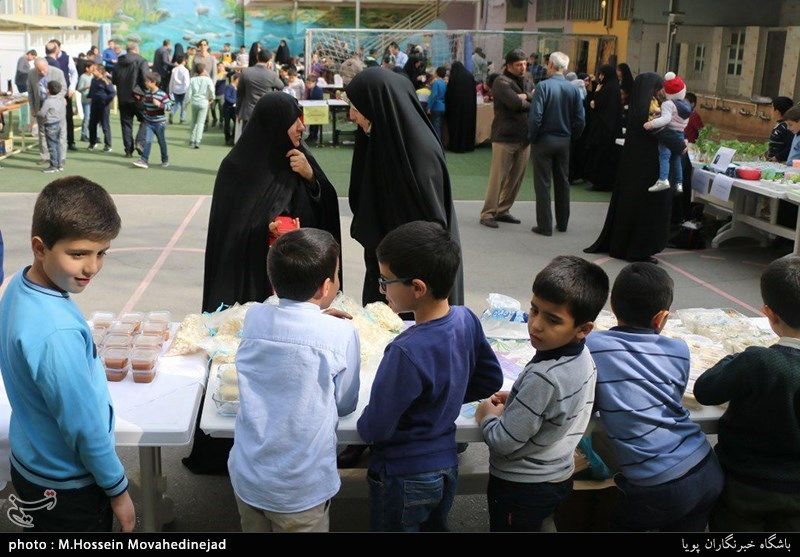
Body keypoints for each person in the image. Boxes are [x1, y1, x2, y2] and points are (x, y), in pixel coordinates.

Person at [184, 93, 342, 475]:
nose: (302, 126)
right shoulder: (237, 168)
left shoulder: (301, 160)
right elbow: (232, 230)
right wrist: (265, 230)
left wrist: (312, 179)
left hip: (293, 288)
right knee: (242, 368)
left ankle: (290, 439)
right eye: (295, 119)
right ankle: (228, 445)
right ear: (275, 124)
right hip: (249, 285)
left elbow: (326, 210)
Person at [0, 177, 135, 532]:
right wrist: (117, 489)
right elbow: (84, 427)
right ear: (40, 247)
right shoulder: (56, 332)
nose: (92, 267)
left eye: (101, 253)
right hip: (68, 485)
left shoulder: (18, 284)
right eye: (78, 254)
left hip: (32, 461)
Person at [357, 221, 503, 532]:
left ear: (418, 288)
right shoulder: (466, 319)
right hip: (446, 465)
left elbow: (376, 428)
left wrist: (363, 421)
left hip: (402, 473)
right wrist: (443, 397)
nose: (382, 288)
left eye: (385, 281)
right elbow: (490, 379)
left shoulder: (405, 350)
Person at [229, 228, 359, 533]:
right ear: (326, 287)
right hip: (302, 489)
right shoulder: (341, 333)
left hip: (249, 477)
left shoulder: (254, 317)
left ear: (274, 284)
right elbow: (345, 404)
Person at [587, 263, 724, 531]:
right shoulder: (679, 350)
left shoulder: (593, 346)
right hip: (705, 466)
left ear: (612, 306)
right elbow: (671, 397)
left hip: (658, 484)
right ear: (661, 318)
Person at [476, 255, 608, 532]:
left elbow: (503, 442)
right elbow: (562, 406)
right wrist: (519, 398)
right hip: (558, 474)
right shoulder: (583, 356)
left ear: (583, 329)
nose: (535, 324)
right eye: (534, 310)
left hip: (521, 486)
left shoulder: (544, 377)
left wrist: (486, 417)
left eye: (552, 320)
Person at [694, 256, 800, 532]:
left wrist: (738, 357)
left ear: (769, 314)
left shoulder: (759, 361)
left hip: (744, 484)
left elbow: (705, 390)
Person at [344, 67, 464, 306]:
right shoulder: (383, 140)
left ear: (377, 106)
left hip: (415, 282)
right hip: (390, 272)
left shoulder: (419, 153)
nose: (352, 116)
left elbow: (433, 226)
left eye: (357, 108)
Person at [584, 73, 670, 263]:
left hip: (633, 167)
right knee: (643, 207)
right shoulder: (648, 111)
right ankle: (637, 249)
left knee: (629, 205)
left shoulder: (636, 109)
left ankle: (623, 245)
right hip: (646, 168)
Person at [529, 51, 586, 236]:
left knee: (543, 184)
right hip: (564, 140)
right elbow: (580, 120)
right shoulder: (573, 89)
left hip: (544, 140)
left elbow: (536, 117)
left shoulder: (543, 86)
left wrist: (533, 137)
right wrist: (572, 137)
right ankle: (562, 223)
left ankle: (544, 226)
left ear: (551, 65)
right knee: (563, 182)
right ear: (566, 67)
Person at [479, 50, 530, 229]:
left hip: (524, 137)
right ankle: (488, 213)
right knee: (498, 178)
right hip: (505, 137)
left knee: (516, 178)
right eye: (519, 64)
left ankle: (503, 210)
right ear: (508, 66)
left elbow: (536, 100)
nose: (523, 67)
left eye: (525, 64)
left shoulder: (526, 81)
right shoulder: (501, 82)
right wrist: (527, 98)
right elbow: (515, 104)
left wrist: (526, 97)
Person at [645, 72, 692, 194]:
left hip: (668, 133)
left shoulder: (668, 104)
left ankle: (663, 179)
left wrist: (652, 123)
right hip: (680, 133)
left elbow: (666, 119)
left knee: (664, 156)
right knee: (676, 158)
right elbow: (682, 120)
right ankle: (679, 183)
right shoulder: (686, 105)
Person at [582, 64, 622, 192]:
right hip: (609, 129)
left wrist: (596, 93)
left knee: (601, 156)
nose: (600, 77)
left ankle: (600, 183)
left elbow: (596, 104)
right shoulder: (613, 87)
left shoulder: (607, 88)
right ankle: (601, 182)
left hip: (603, 129)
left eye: (602, 74)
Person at [27, 58, 66, 167]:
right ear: (35, 68)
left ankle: (61, 157)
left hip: (56, 108)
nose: (42, 72)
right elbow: (30, 92)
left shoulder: (58, 72)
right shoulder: (31, 74)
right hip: (40, 107)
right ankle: (45, 156)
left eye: (44, 69)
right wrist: (32, 108)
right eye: (39, 70)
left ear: (47, 65)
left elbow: (63, 89)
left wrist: (53, 99)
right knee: (42, 132)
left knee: (60, 132)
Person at [112, 42, 148, 158]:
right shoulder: (141, 60)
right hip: (138, 96)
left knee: (126, 124)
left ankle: (128, 150)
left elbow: (114, 80)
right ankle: (140, 142)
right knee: (147, 119)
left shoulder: (118, 62)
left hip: (123, 97)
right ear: (136, 49)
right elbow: (145, 79)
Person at [236, 49, 284, 135]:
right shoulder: (272, 74)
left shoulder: (245, 72)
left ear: (257, 57)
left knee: (247, 138)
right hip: (266, 111)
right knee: (264, 138)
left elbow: (240, 93)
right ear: (270, 60)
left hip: (248, 112)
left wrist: (238, 112)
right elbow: (281, 86)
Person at [133, 72, 173, 169]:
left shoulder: (162, 94)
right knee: (147, 141)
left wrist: (160, 104)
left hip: (159, 123)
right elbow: (145, 106)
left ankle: (165, 160)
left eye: (147, 81)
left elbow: (170, 107)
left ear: (153, 82)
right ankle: (143, 160)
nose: (145, 83)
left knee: (161, 142)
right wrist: (139, 101)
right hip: (149, 122)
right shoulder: (147, 93)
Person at [45, 40, 78, 152]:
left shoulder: (67, 58)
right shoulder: (46, 59)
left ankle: (71, 142)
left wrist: (72, 88)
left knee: (68, 117)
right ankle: (54, 142)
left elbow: (74, 73)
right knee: (52, 117)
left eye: (55, 47)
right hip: (51, 93)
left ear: (59, 47)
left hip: (65, 92)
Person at [444, 61, 477, 153]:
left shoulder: (454, 77)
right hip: (469, 107)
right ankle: (468, 145)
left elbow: (449, 93)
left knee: (456, 126)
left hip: (456, 108)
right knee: (467, 125)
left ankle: (456, 145)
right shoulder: (470, 76)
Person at [38, 81, 65, 173]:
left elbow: (42, 113)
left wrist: (36, 113)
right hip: (57, 123)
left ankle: (53, 166)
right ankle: (59, 164)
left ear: (48, 90)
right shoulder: (60, 100)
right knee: (57, 145)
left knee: (51, 146)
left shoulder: (48, 101)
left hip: (50, 125)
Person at [87, 63, 115, 153]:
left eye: (94, 69)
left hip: (103, 106)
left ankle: (108, 145)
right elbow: (91, 91)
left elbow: (112, 93)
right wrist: (90, 97)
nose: (92, 71)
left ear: (99, 71)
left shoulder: (106, 80)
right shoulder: (93, 80)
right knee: (92, 124)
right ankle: (92, 143)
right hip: (94, 105)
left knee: (105, 125)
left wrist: (105, 101)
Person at [187, 63, 214, 148]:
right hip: (204, 102)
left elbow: (189, 93)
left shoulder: (192, 80)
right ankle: (197, 141)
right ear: (203, 70)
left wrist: (186, 103)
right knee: (201, 123)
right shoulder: (208, 80)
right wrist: (212, 98)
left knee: (193, 121)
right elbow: (212, 91)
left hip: (195, 102)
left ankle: (192, 140)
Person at [767, 96, 796, 162]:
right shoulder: (780, 125)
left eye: (772, 108)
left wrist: (777, 157)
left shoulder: (785, 127)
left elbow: (791, 147)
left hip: (781, 163)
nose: (770, 110)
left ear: (777, 111)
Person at [168, 54, 190, 124]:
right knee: (183, 105)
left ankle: (172, 113)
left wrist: (170, 90)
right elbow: (186, 82)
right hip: (183, 90)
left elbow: (171, 81)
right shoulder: (185, 70)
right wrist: (188, 91)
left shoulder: (174, 69)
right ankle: (182, 118)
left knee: (176, 104)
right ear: (183, 61)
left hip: (175, 89)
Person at [428, 66, 447, 141]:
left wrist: (429, 107)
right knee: (440, 127)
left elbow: (434, 95)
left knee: (436, 127)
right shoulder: (444, 83)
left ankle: (437, 143)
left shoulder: (436, 83)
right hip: (443, 106)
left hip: (436, 107)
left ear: (437, 73)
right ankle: (441, 142)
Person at [76, 60, 93, 142]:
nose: (93, 69)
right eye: (92, 68)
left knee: (93, 118)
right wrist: (86, 87)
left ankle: (93, 135)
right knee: (87, 117)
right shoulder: (83, 77)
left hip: (93, 99)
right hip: (86, 99)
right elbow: (79, 88)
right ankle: (84, 134)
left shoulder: (93, 76)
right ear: (87, 68)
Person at [304, 74, 323, 143]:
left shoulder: (317, 90)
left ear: (315, 83)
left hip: (317, 110)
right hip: (312, 109)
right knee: (312, 124)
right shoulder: (310, 90)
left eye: (310, 83)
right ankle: (312, 136)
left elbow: (317, 101)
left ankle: (313, 136)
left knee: (314, 124)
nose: (308, 85)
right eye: (307, 83)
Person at [222, 72, 238, 145]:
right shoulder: (229, 87)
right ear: (236, 79)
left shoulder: (237, 88)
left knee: (236, 123)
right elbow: (227, 97)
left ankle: (232, 137)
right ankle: (227, 139)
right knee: (227, 125)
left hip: (234, 109)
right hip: (227, 109)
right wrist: (235, 102)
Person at [211, 62, 227, 127]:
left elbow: (231, 73)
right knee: (212, 108)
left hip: (221, 95)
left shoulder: (225, 74)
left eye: (221, 66)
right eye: (219, 66)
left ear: (224, 67)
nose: (220, 67)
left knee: (221, 109)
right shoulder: (214, 74)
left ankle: (221, 121)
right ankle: (215, 119)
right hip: (214, 95)